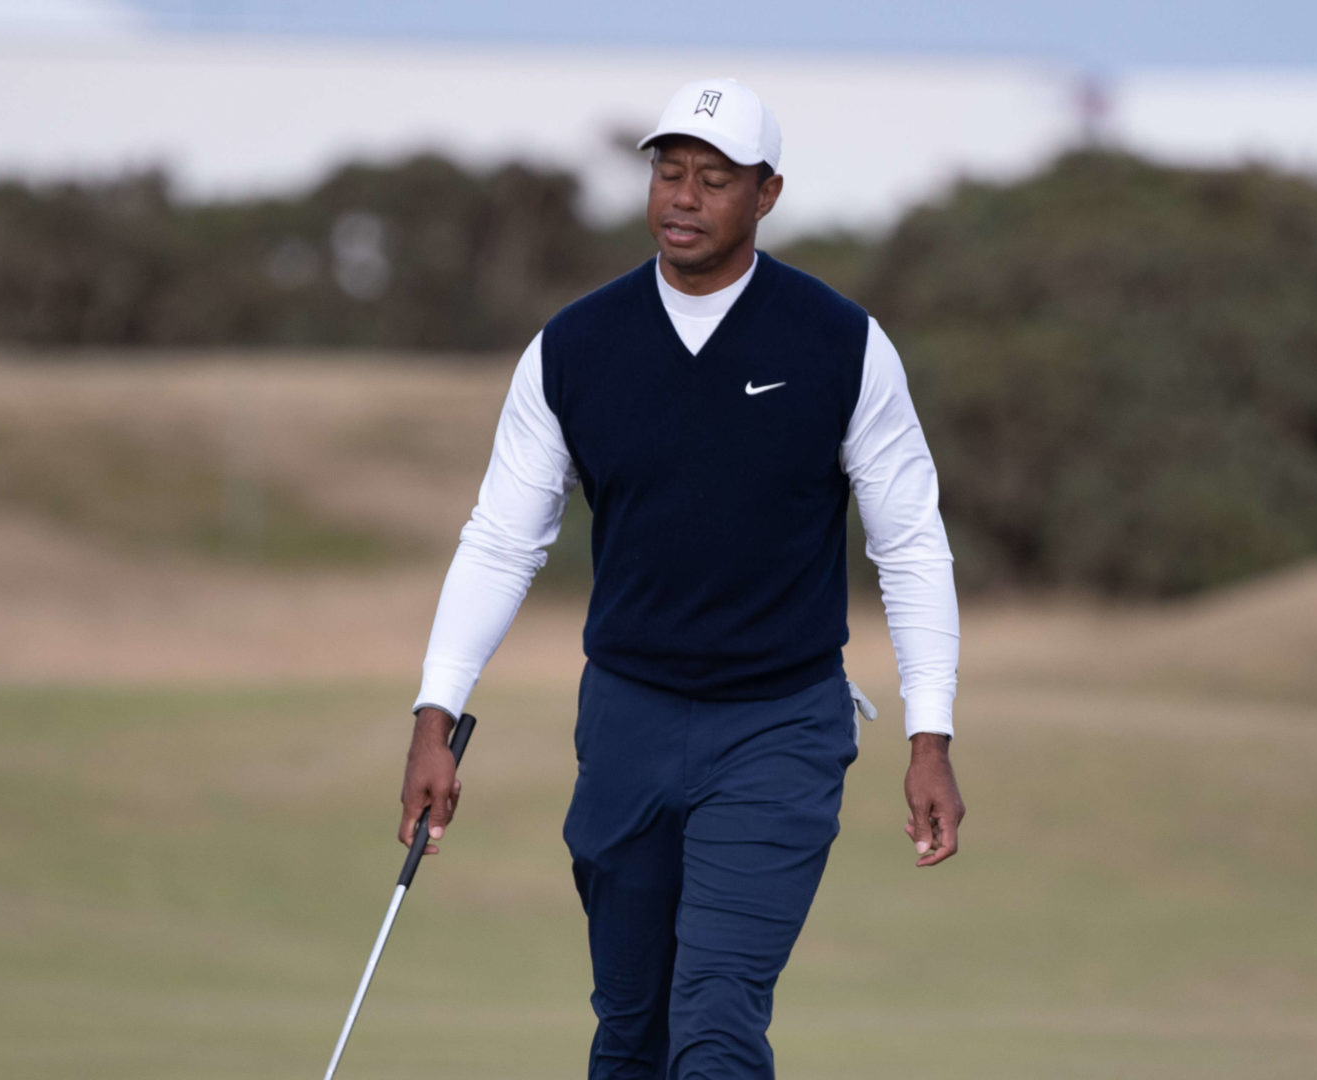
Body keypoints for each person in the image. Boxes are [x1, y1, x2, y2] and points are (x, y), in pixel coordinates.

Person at [398, 76, 964, 1079]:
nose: (684, 198)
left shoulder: (839, 344)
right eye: (669, 173)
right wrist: (435, 715)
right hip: (627, 723)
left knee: (715, 1019)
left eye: (714, 179)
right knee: (632, 1030)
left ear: (767, 195)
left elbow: (910, 543)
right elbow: (500, 540)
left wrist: (930, 734)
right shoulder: (575, 347)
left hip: (780, 727)